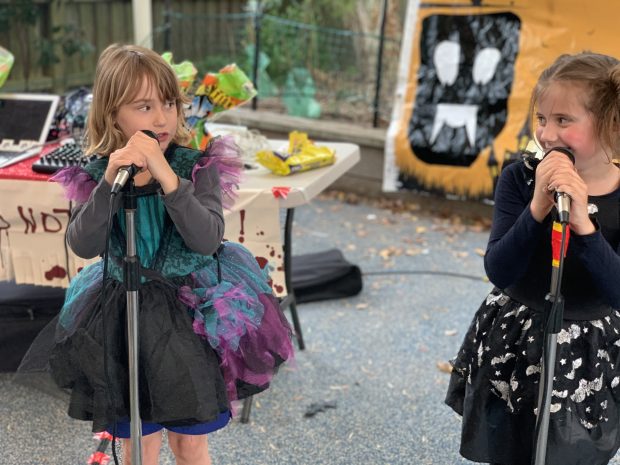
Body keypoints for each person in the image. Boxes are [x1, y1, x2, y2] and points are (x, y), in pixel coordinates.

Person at [47, 44, 294, 465]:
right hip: (123, 313)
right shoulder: (97, 171)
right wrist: (109, 183)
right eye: (144, 106)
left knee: (189, 440)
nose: (161, 117)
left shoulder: (196, 167)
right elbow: (83, 245)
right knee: (138, 441)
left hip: (188, 316)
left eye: (169, 103)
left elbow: (205, 239)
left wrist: (167, 178)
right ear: (113, 115)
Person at [445, 51, 620, 465]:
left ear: (611, 123)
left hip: (588, 347)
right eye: (542, 119)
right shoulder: (519, 178)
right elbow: (499, 269)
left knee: (574, 450)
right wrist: (537, 208)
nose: (546, 133)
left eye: (564, 120)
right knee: (510, 442)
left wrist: (584, 225)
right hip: (517, 335)